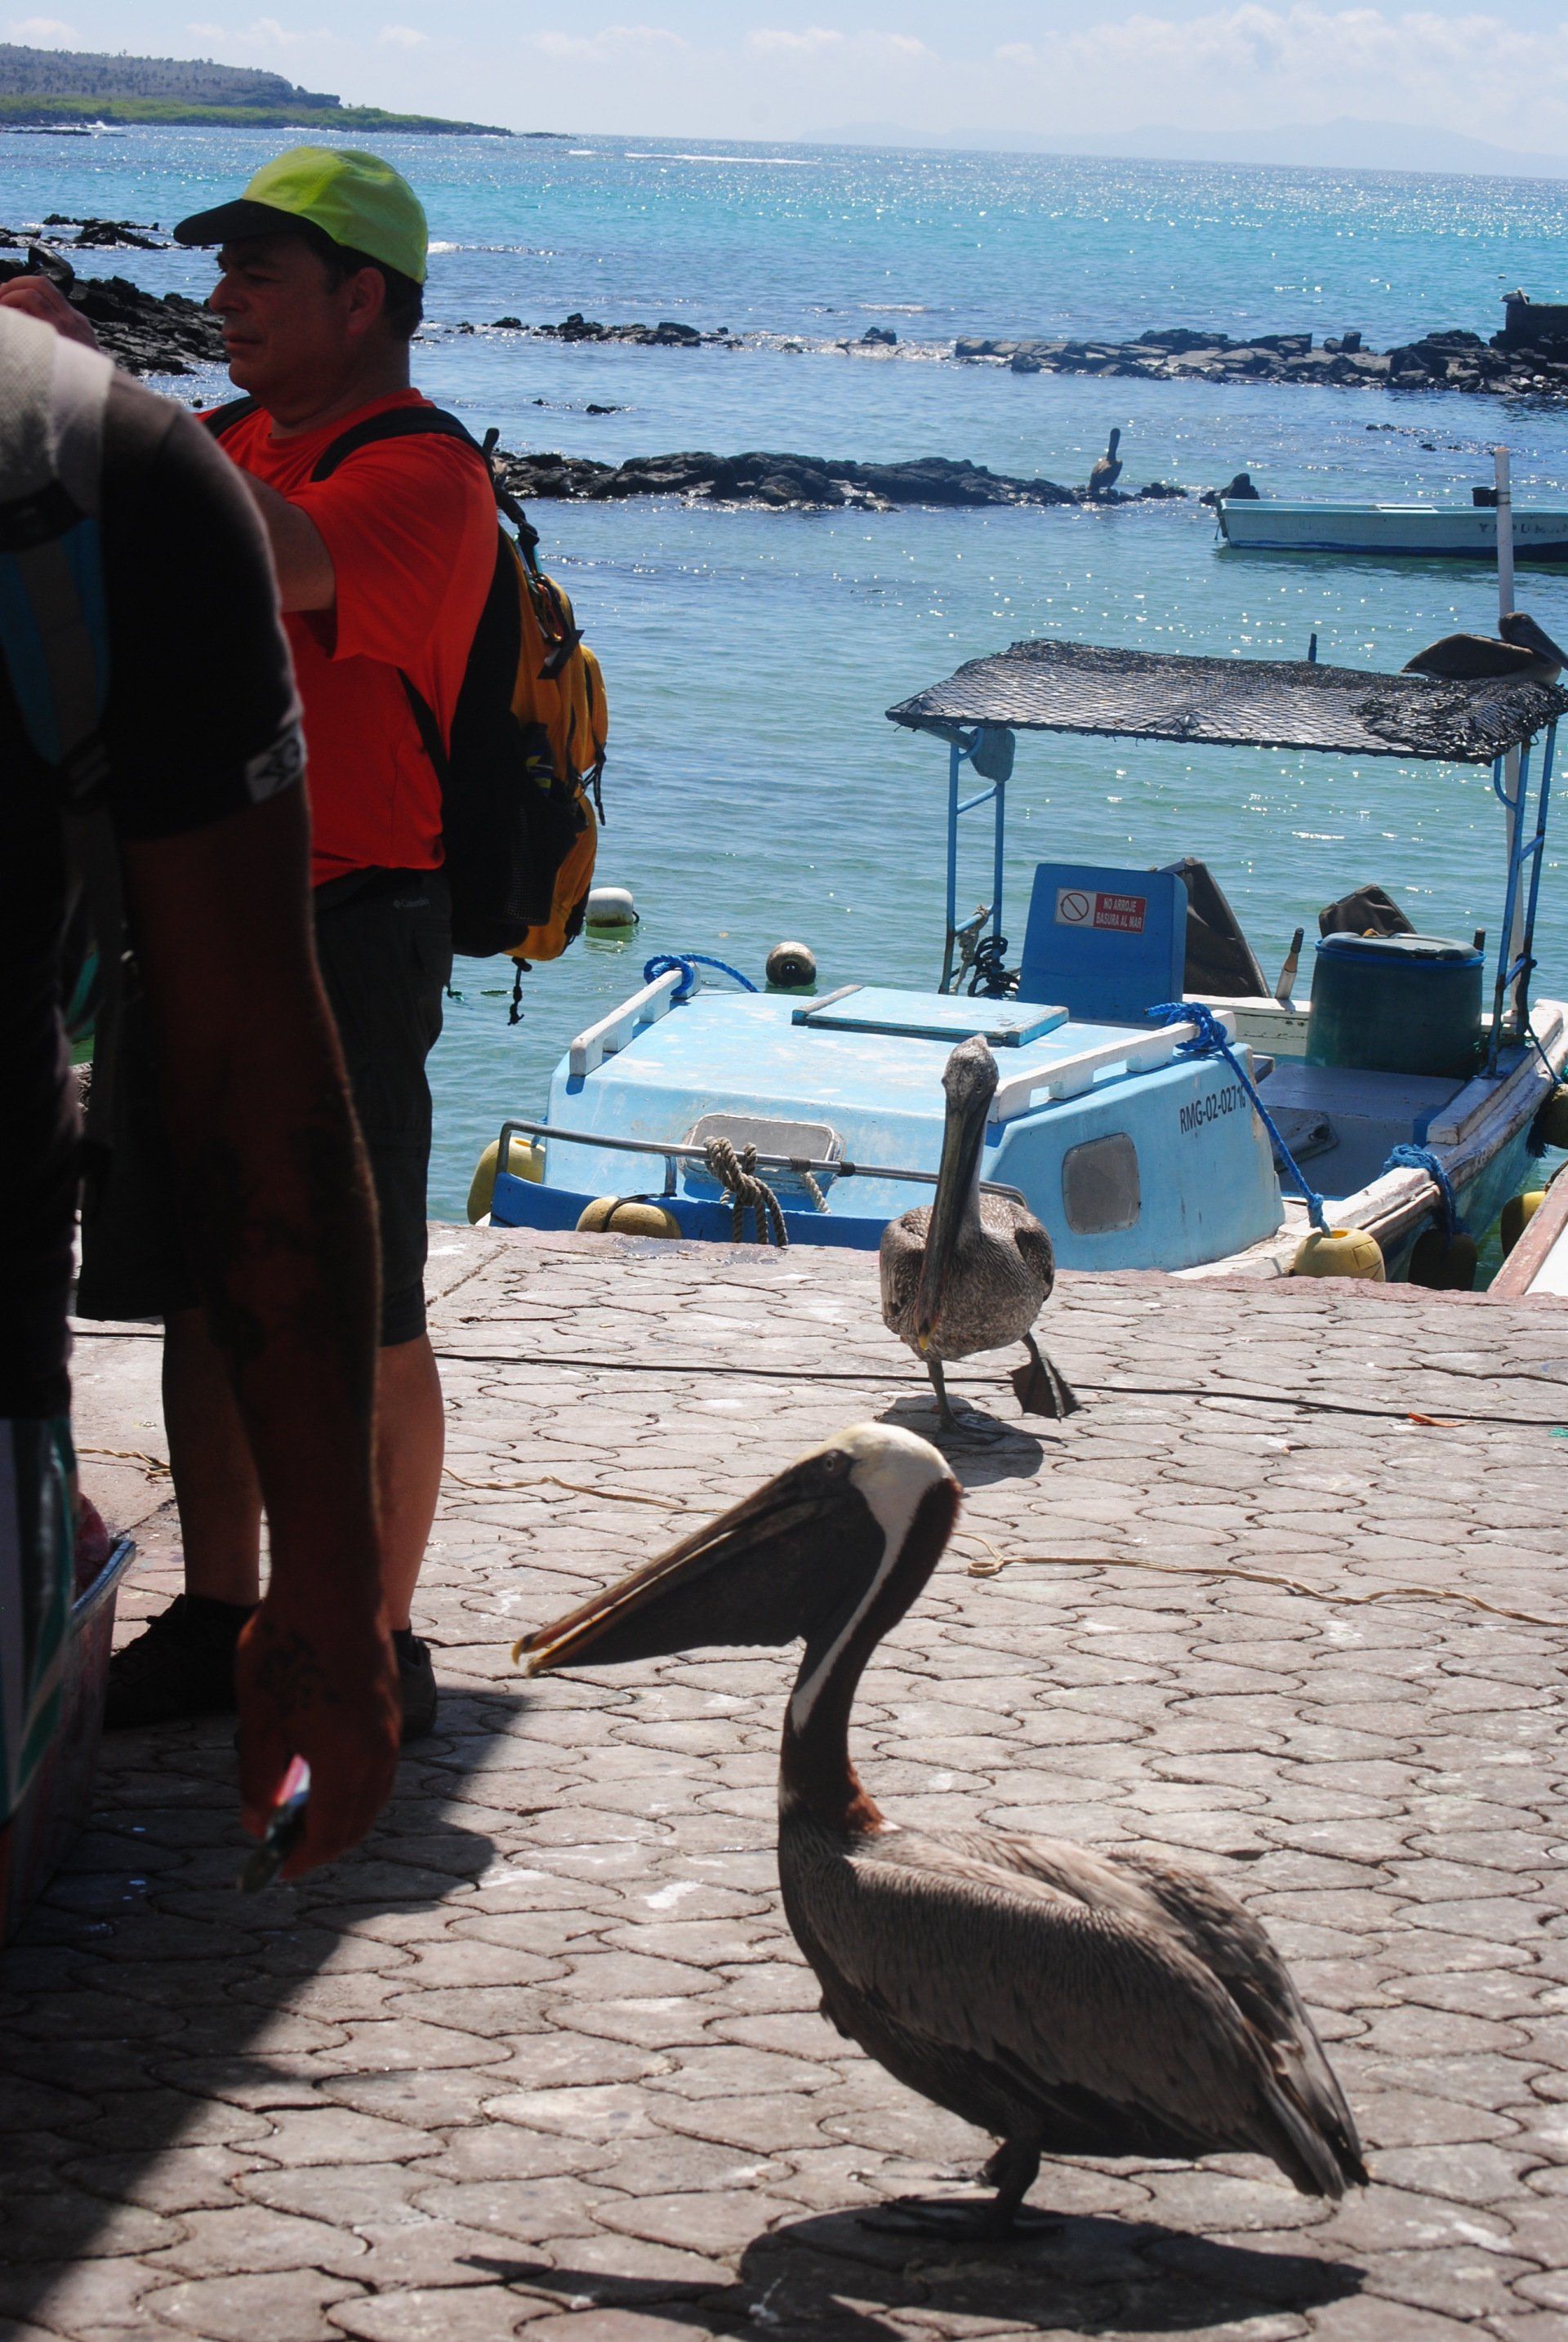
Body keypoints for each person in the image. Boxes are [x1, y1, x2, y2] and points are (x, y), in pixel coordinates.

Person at [56, 149, 498, 1741]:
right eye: (219, 270)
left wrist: (95, 391)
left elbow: (278, 559)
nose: (217, 299)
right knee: (195, 1288)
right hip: (202, 914)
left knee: (369, 1310)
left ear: (362, 297)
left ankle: (379, 1634)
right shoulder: (227, 441)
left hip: (358, 926)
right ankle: (224, 1608)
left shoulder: (424, 476)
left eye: (256, 272)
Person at [0, 291, 399, 1877]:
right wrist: (327, 1590)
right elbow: (254, 1078)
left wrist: (328, 1583)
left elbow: (252, 1073)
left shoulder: (116, 479)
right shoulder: (113, 471)